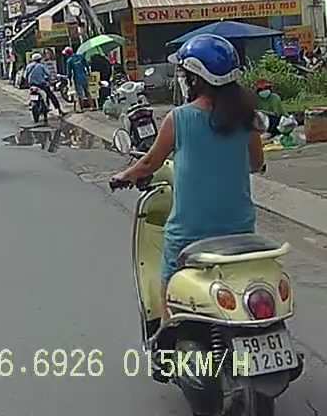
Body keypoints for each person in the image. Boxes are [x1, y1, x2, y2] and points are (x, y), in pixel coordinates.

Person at [109, 34, 265, 325]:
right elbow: (256, 163)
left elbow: (149, 163)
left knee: (168, 283)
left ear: (195, 78)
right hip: (241, 229)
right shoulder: (249, 118)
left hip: (191, 234)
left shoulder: (178, 118)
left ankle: (169, 337)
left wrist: (123, 176)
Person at [23, 52, 64, 116]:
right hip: (41, 85)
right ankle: (59, 110)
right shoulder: (42, 66)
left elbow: (25, 76)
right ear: (39, 59)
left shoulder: (28, 66)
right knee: (51, 95)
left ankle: (31, 104)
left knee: (32, 95)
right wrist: (50, 79)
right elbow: (48, 74)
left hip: (32, 85)